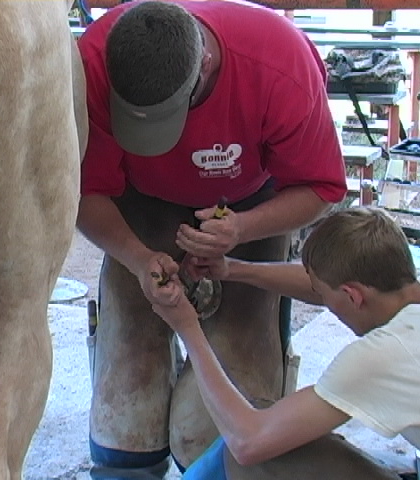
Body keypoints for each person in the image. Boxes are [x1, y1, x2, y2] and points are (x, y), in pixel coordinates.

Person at [76, 1, 346, 476]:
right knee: (126, 401)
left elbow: (321, 188)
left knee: (218, 415)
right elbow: (84, 191)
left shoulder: (280, 66)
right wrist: (138, 259)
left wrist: (242, 229)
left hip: (249, 202)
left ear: (203, 64)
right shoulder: (94, 59)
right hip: (140, 198)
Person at [152, 207, 420, 480]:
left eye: (325, 295)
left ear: (353, 296)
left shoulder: (393, 352)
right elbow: (332, 283)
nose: (323, 302)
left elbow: (248, 442)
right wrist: (234, 269)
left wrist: (187, 326)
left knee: (259, 452)